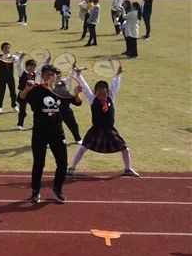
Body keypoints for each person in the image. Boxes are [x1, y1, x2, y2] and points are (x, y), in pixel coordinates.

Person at [18, 65, 81, 203]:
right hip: (39, 132)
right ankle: (35, 192)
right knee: (39, 163)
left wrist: (77, 93)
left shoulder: (60, 90)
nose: (49, 77)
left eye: (52, 74)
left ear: (55, 76)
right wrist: (27, 89)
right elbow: (21, 99)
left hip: (57, 132)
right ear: (42, 75)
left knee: (63, 163)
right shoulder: (36, 90)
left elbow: (77, 102)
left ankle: (57, 189)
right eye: (46, 74)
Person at [68, 65, 139, 178]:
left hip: (110, 130)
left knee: (125, 149)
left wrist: (118, 74)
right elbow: (85, 88)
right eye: (99, 94)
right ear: (95, 92)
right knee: (83, 148)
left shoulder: (111, 97)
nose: (101, 96)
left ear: (108, 93)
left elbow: (116, 85)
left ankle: (128, 169)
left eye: (104, 94)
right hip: (96, 130)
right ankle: (72, 168)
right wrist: (79, 75)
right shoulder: (92, 99)